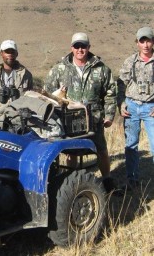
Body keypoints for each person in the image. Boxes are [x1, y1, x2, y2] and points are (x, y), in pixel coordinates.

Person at [44, 32, 117, 193]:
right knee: (72, 153)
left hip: (95, 119)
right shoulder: (59, 69)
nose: (80, 49)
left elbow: (111, 93)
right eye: (76, 46)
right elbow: (48, 94)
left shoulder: (101, 69)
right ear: (71, 48)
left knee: (101, 150)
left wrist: (109, 116)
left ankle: (107, 180)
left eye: (83, 46)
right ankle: (72, 182)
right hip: (68, 120)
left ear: (88, 47)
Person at [117, 26, 154, 190]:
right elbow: (119, 84)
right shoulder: (130, 61)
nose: (146, 45)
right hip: (131, 107)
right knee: (131, 146)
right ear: (137, 43)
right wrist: (121, 103)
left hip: (151, 108)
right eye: (142, 41)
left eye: (149, 40)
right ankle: (132, 180)